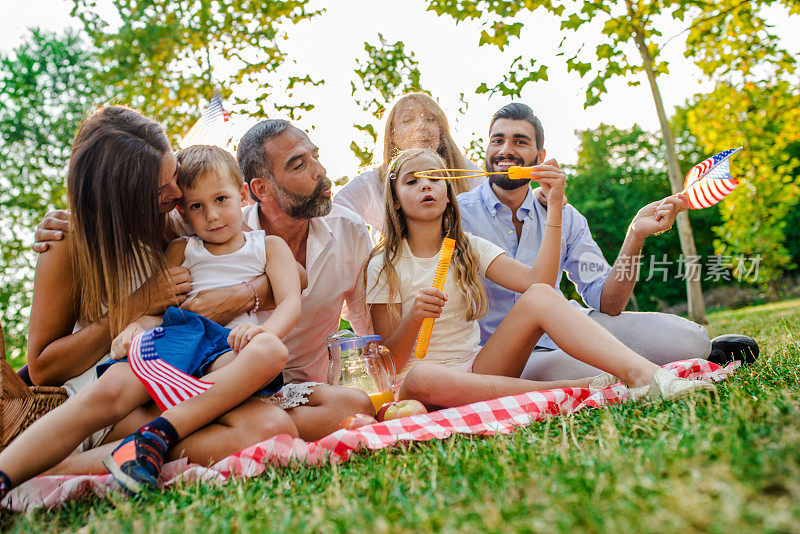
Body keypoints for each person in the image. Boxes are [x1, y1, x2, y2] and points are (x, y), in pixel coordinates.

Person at [0, 119, 303, 499]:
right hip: (114, 386)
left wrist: (242, 294)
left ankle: (132, 450)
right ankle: (51, 464)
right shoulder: (70, 243)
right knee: (272, 423)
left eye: (174, 173)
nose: (177, 192)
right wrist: (138, 305)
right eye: (162, 187)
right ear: (125, 196)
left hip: (184, 372)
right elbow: (44, 366)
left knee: (274, 428)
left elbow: (291, 276)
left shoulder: (170, 223)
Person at [366, 148, 716, 409]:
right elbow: (389, 362)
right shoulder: (384, 263)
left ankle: (646, 376)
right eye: (413, 181)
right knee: (421, 376)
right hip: (420, 384)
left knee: (538, 296)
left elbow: (540, 281)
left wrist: (557, 203)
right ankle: (579, 386)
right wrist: (414, 318)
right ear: (395, 200)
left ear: (447, 194)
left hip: (479, 368)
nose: (426, 185)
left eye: (436, 179)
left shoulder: (466, 247)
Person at [456, 103, 758, 381]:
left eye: (519, 141)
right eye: (497, 140)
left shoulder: (566, 216)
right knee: (588, 368)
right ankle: (652, 369)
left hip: (575, 327)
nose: (505, 150)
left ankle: (684, 355)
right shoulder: (457, 215)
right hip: (510, 355)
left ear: (540, 157)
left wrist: (635, 235)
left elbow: (608, 303)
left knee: (691, 339)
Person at [334, 92, 482, 242]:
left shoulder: (464, 171)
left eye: (430, 119)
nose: (420, 125)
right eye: (407, 119)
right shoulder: (372, 183)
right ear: (391, 133)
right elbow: (333, 216)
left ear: (441, 131)